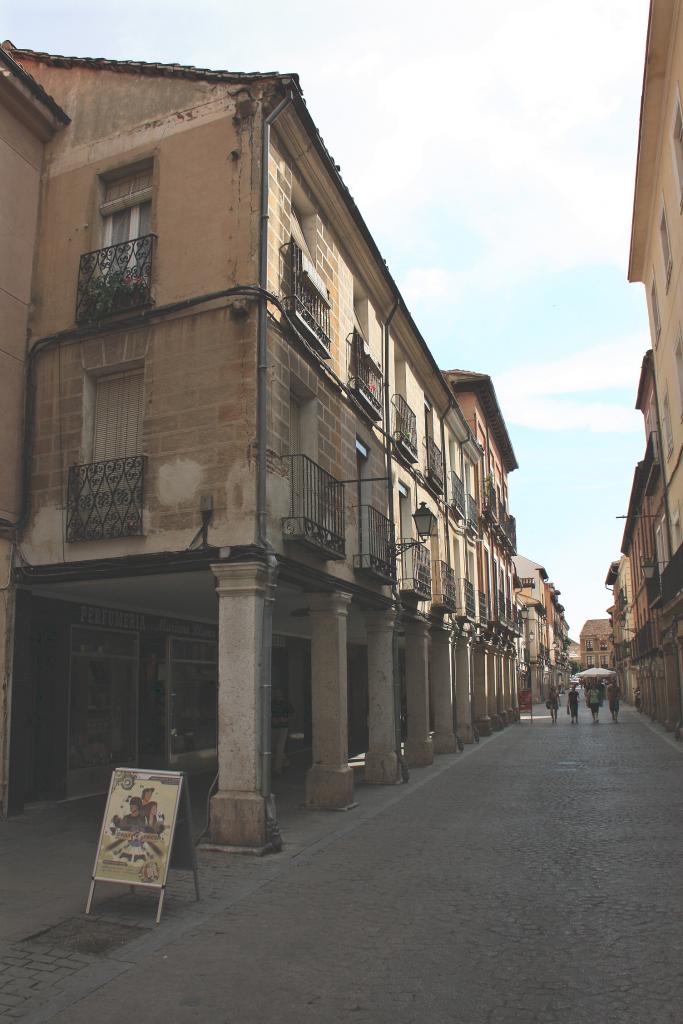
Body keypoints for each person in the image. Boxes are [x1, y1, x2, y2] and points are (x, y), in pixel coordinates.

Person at [271, 688, 294, 776]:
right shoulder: (272, 703)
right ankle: (286, 761)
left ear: (281, 693)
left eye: (278, 692)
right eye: (275, 692)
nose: (277, 694)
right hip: (273, 728)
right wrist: (272, 719)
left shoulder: (286, 703)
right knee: (273, 748)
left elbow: (293, 714)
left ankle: (277, 770)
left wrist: (285, 719)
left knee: (279, 748)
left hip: (283, 728)